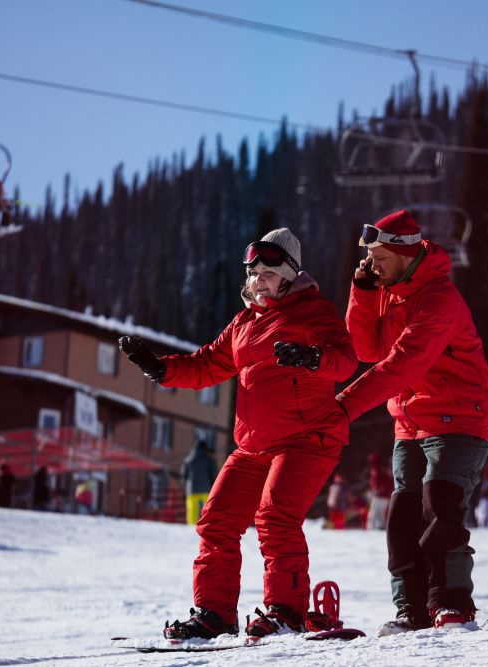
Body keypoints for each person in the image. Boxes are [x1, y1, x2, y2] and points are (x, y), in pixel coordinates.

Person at [119, 227, 357, 639]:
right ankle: (214, 614)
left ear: (289, 273)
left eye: (270, 267)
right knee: (216, 522)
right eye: (254, 269)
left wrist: (314, 357)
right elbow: (207, 363)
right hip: (253, 446)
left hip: (307, 439)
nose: (259, 275)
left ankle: (286, 612)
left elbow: (345, 360)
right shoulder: (244, 323)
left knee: (276, 516)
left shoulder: (313, 312)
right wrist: (161, 368)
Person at [335, 210, 488, 634]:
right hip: (409, 423)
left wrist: (344, 407)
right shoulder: (388, 288)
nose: (371, 265)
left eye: (377, 258)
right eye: (368, 258)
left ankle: (451, 605)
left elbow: (402, 365)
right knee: (403, 517)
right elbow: (364, 349)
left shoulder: (439, 299)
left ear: (404, 254)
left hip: (459, 419)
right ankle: (412, 610)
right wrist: (364, 292)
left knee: (439, 506)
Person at [180, 436, 217, 525]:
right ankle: (206, 524)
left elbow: (183, 476)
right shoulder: (209, 460)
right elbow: (214, 475)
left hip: (191, 489)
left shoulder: (188, 460)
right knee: (207, 509)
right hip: (206, 489)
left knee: (192, 510)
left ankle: (191, 526)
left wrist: (184, 489)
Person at [367, 453, 394, 530]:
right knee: (380, 515)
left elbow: (380, 484)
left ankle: (372, 530)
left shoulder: (378, 471)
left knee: (373, 515)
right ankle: (381, 529)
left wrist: (377, 490)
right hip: (384, 496)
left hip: (380, 496)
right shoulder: (381, 471)